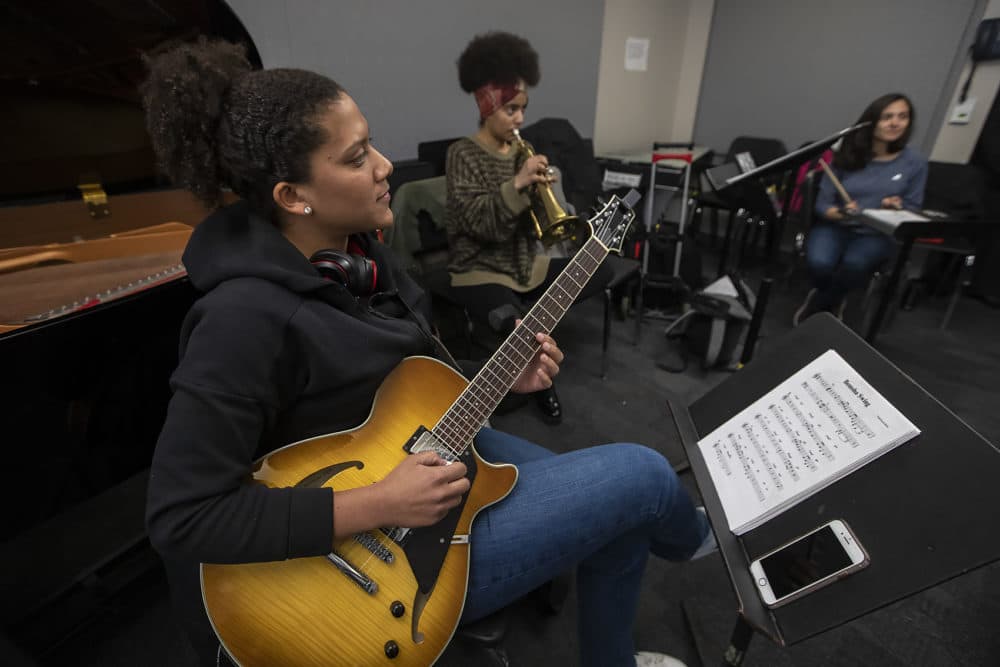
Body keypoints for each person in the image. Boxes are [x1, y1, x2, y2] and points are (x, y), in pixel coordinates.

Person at [141, 38, 711, 667]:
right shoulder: (241, 320)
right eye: (358, 157)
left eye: (372, 143)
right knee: (646, 477)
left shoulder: (359, 254)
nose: (386, 165)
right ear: (291, 196)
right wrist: (380, 504)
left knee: (622, 508)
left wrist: (495, 376)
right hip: (368, 556)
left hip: (424, 447)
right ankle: (710, 544)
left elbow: (402, 383)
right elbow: (182, 516)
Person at [444, 31, 615, 424]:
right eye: (511, 110)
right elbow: (476, 225)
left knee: (597, 266)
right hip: (480, 267)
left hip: (525, 262)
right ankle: (540, 380)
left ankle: (530, 332)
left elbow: (542, 229)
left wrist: (547, 191)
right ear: (487, 108)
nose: (520, 119)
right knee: (511, 316)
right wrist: (518, 184)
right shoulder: (462, 153)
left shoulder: (525, 151)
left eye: (523, 108)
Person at [793, 93, 928, 325]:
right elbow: (823, 205)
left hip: (876, 233)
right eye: (887, 117)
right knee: (819, 263)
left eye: (902, 117)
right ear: (871, 121)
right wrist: (844, 212)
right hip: (835, 225)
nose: (895, 123)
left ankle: (821, 304)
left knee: (855, 264)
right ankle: (832, 298)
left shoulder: (914, 162)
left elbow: (913, 207)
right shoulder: (846, 154)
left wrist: (895, 207)